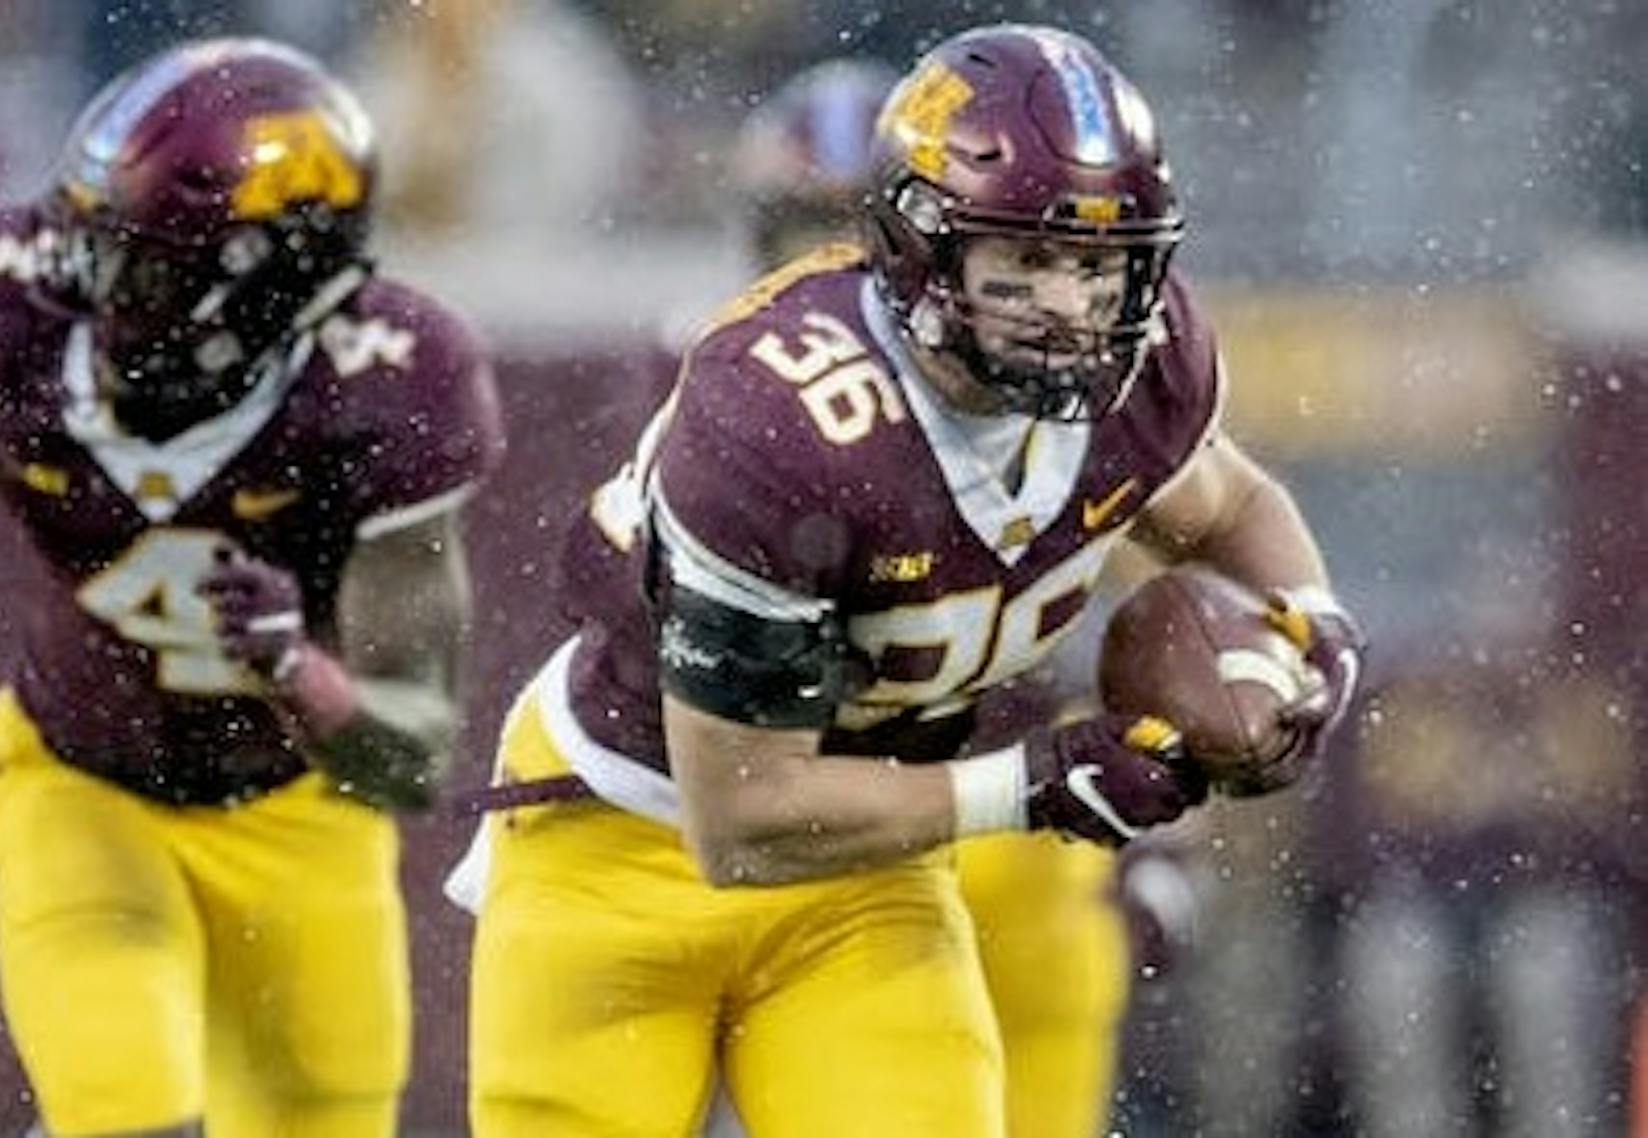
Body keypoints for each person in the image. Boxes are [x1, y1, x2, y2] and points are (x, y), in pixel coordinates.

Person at [452, 24, 1363, 1136]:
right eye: (1021, 260)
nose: (1068, 305)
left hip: (864, 872)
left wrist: (1316, 631)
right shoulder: (783, 422)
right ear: (919, 249)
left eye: (1092, 263)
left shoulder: (1137, 372)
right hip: (622, 842)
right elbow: (741, 819)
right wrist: (1033, 783)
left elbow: (1228, 507)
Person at [0, 38, 505, 1138]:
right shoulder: (9, 296)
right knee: (128, 1116)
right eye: (87, 241)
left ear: (271, 285)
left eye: (143, 262)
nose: (84, 283)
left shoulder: (384, 389)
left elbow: (410, 753)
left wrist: (296, 671)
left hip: (304, 808)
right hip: (79, 779)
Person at [729, 55, 1203, 1138]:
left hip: (1016, 808)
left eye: (843, 232)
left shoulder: (1050, 388)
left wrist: (1167, 834)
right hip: (833, 834)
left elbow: (1167, 598)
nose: (826, 268)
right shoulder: (723, 394)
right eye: (801, 229)